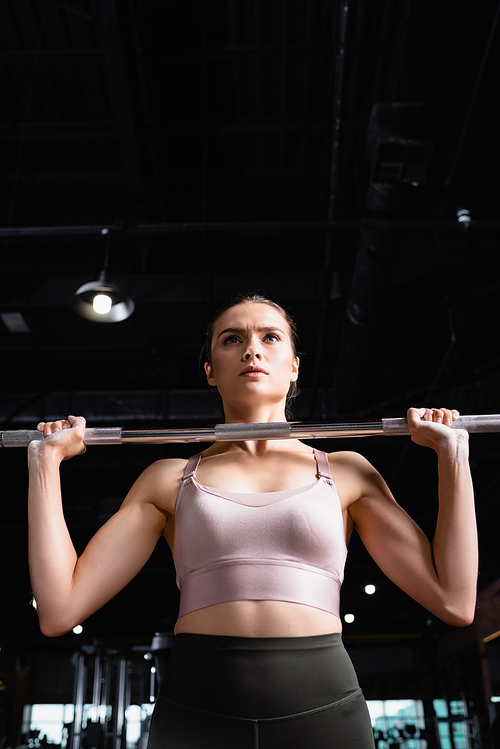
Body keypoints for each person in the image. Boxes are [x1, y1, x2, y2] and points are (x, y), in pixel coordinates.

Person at [27, 292, 477, 749]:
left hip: (323, 712)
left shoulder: (348, 472)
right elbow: (59, 610)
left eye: (269, 337)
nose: (252, 349)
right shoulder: (167, 480)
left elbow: (455, 601)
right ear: (209, 370)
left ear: (295, 366)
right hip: (196, 712)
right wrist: (44, 466)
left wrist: (453, 456)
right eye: (232, 339)